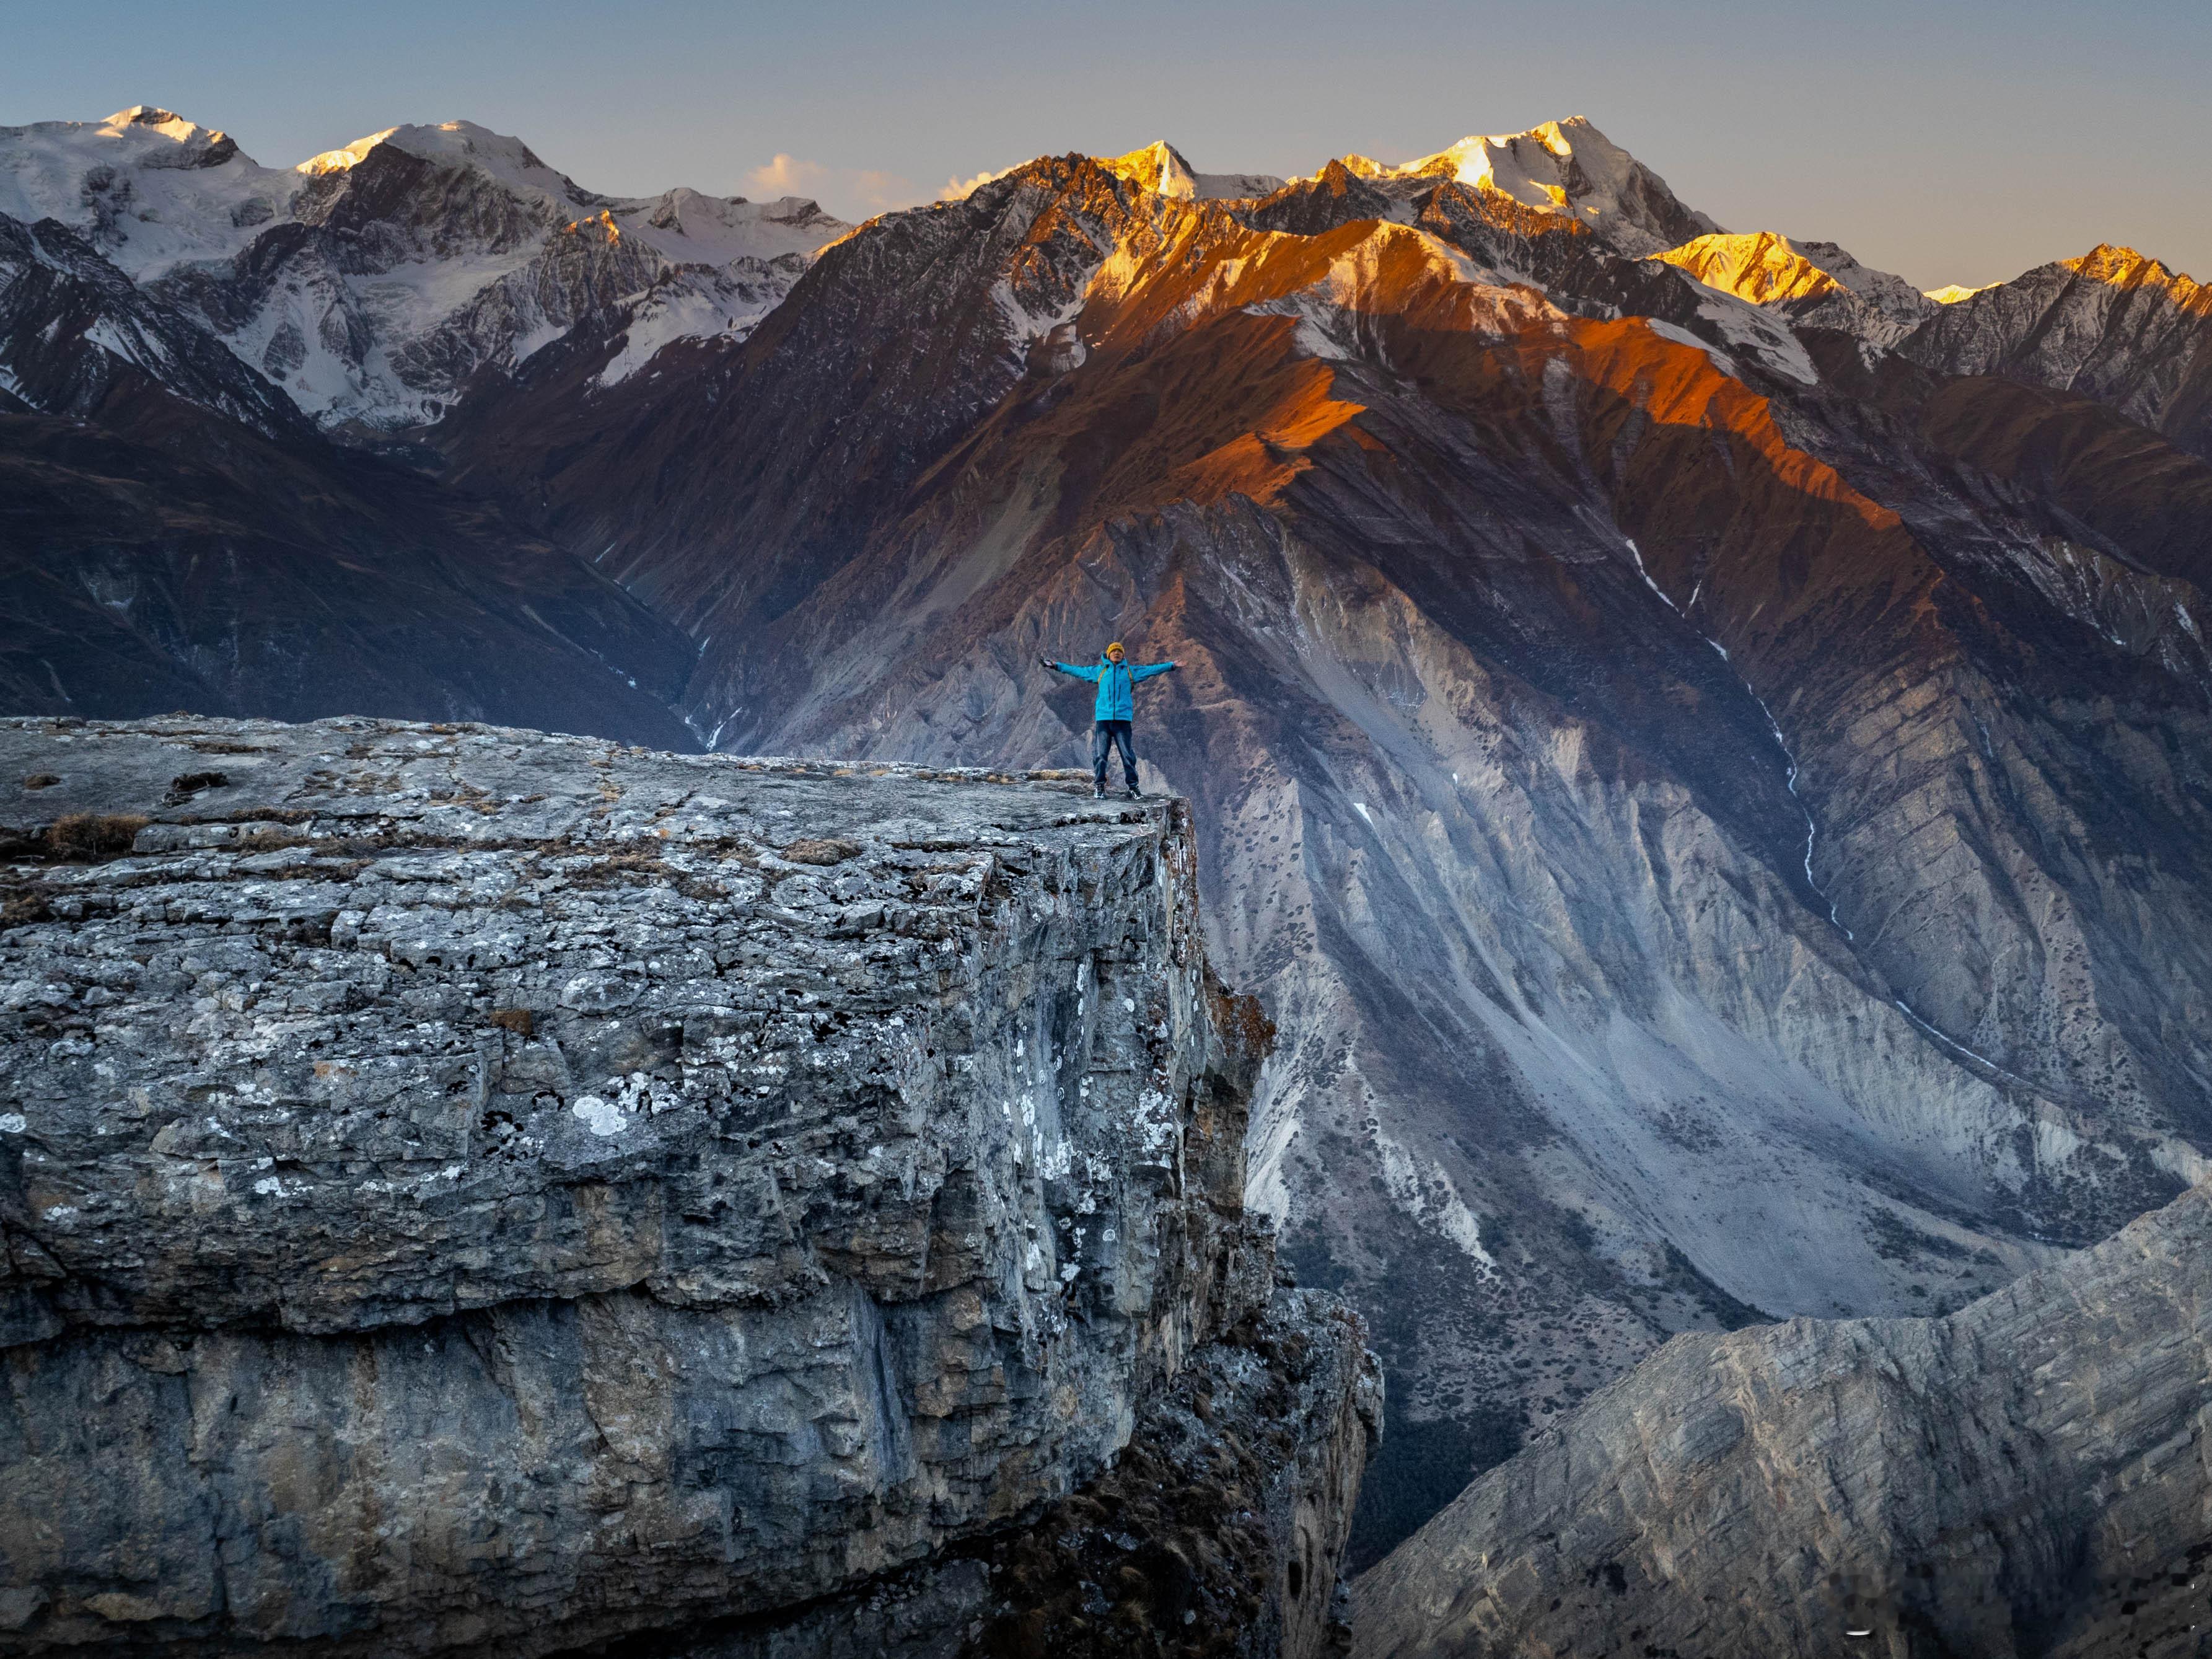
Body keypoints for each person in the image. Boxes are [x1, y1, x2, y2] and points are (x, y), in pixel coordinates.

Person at [1038, 641, 1179, 799]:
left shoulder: (1130, 672)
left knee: (1127, 756)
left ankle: (1133, 788)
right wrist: (1057, 666)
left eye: (1119, 652)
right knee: (1101, 755)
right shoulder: (1099, 672)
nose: (1116, 654)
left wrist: (1171, 665)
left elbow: (1152, 670)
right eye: (1114, 652)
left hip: (1122, 721)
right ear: (1109, 654)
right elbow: (1077, 671)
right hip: (1104, 720)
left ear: (1123, 655)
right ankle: (1099, 787)